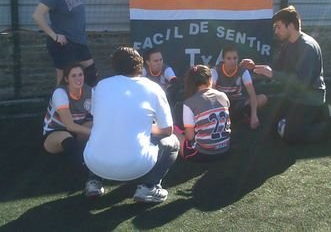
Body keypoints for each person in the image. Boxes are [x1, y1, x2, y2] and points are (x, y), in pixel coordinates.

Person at [84, 46, 179, 203]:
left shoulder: (101, 86)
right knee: (173, 142)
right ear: (141, 65)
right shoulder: (153, 88)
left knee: (101, 131)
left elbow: (98, 116)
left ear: (114, 66)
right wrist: (146, 127)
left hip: (95, 163)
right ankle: (149, 187)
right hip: (136, 165)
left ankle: (93, 182)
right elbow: (168, 129)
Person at [241, 5, 331, 144]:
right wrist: (254, 67)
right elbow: (276, 69)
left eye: (278, 27)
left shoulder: (307, 47)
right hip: (294, 97)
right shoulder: (288, 44)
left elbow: (302, 82)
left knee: (290, 135)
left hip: (309, 99)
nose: (276, 31)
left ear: (290, 26)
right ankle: (313, 117)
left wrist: (273, 74)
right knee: (271, 126)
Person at [32, 0, 97, 86]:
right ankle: (57, 105)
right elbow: (37, 15)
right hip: (63, 44)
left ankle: (86, 103)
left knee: (91, 73)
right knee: (63, 80)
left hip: (79, 41)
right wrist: (54, 36)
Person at [43, 62, 104, 197]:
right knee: (68, 138)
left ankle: (100, 169)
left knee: (94, 127)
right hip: (55, 133)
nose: (78, 78)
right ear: (66, 79)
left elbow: (96, 117)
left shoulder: (90, 91)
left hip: (78, 129)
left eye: (80, 75)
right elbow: (69, 126)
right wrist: (97, 134)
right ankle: (87, 175)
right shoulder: (60, 92)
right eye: (74, 76)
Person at [173, 65, 231, 162]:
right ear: (210, 79)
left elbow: (190, 137)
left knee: (173, 131)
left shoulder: (189, 102)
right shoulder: (223, 95)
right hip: (225, 149)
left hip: (203, 154)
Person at [211, 46, 267, 129]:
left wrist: (254, 116)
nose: (232, 61)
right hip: (222, 104)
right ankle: (229, 117)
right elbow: (211, 92)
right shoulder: (215, 71)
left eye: (235, 58)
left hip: (238, 103)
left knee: (263, 98)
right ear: (223, 60)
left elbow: (252, 94)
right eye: (229, 58)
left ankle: (241, 115)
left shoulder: (243, 71)